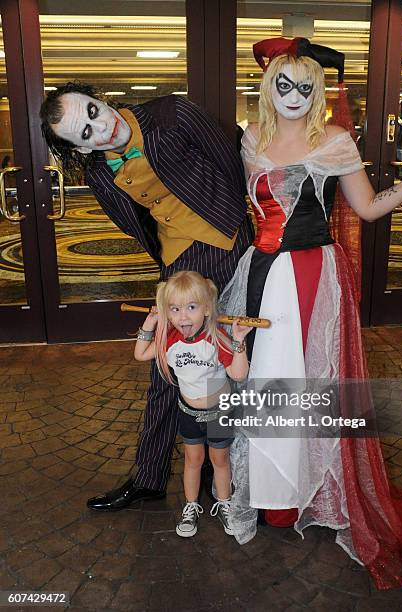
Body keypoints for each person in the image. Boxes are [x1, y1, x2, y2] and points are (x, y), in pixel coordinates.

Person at [220, 37, 402, 589]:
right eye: (286, 84)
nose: (295, 95)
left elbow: (369, 209)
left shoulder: (334, 141)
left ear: (318, 90)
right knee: (262, 381)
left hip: (312, 275)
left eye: (306, 86)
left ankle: (304, 490)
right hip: (259, 271)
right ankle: (270, 497)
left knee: (305, 381)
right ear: (269, 85)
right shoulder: (250, 137)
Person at [39, 83, 253, 511]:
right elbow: (135, 223)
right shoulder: (100, 174)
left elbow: (230, 165)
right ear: (79, 150)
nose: (101, 129)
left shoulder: (171, 114)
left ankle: (235, 468)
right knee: (165, 365)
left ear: (100, 99)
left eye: (94, 112)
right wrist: (169, 264)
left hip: (230, 245)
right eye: (85, 134)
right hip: (178, 260)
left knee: (238, 355)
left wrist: (231, 225)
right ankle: (149, 476)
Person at [134, 271, 251, 536]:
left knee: (219, 459)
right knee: (192, 459)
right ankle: (191, 507)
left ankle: (224, 504)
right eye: (174, 309)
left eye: (191, 307)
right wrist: (151, 321)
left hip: (218, 410)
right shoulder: (170, 340)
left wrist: (239, 341)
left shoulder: (215, 339)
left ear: (207, 309)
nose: (183, 317)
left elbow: (238, 374)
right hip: (188, 411)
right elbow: (141, 354)